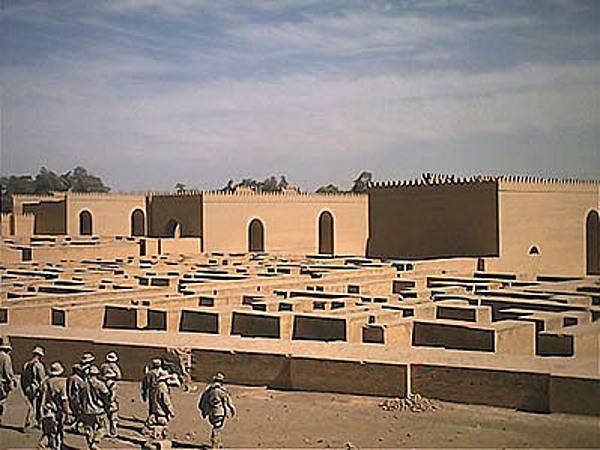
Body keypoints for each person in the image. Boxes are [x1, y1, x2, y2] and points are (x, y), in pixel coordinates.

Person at [198, 372, 236, 449]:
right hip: (220, 411)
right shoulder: (221, 391)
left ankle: (217, 442)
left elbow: (203, 401)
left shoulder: (208, 391)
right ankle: (214, 443)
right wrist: (231, 409)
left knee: (216, 426)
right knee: (217, 427)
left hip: (211, 412)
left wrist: (204, 410)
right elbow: (227, 402)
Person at [39, 362, 69, 450]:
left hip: (45, 410)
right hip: (56, 412)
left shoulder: (45, 382)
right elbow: (64, 399)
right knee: (57, 433)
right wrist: (66, 412)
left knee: (47, 433)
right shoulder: (62, 383)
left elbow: (40, 395)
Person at [81, 365, 110, 450]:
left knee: (89, 428)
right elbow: (106, 395)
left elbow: (80, 397)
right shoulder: (100, 384)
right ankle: (95, 441)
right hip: (98, 409)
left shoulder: (83, 385)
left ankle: (90, 445)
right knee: (104, 427)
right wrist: (107, 405)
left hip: (87, 410)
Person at [21, 346, 47, 430]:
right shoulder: (39, 366)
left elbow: (23, 377)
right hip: (36, 388)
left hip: (28, 387)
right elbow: (42, 379)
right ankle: (30, 421)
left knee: (31, 404)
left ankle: (36, 421)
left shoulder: (26, 364)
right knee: (36, 406)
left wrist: (24, 388)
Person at [0, 336, 17, 424]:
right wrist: (11, 380)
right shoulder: (6, 358)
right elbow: (7, 371)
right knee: (2, 401)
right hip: (2, 383)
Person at [66, 363, 87, 433]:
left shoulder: (70, 378)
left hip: (71, 397)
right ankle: (74, 425)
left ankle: (76, 426)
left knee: (77, 413)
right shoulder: (77, 379)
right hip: (77, 398)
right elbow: (82, 388)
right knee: (81, 413)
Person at [102, 368, 119, 437]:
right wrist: (111, 401)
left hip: (105, 402)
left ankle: (108, 430)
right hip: (111, 402)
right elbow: (113, 394)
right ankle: (113, 431)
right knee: (113, 417)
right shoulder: (113, 384)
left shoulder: (104, 383)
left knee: (107, 417)